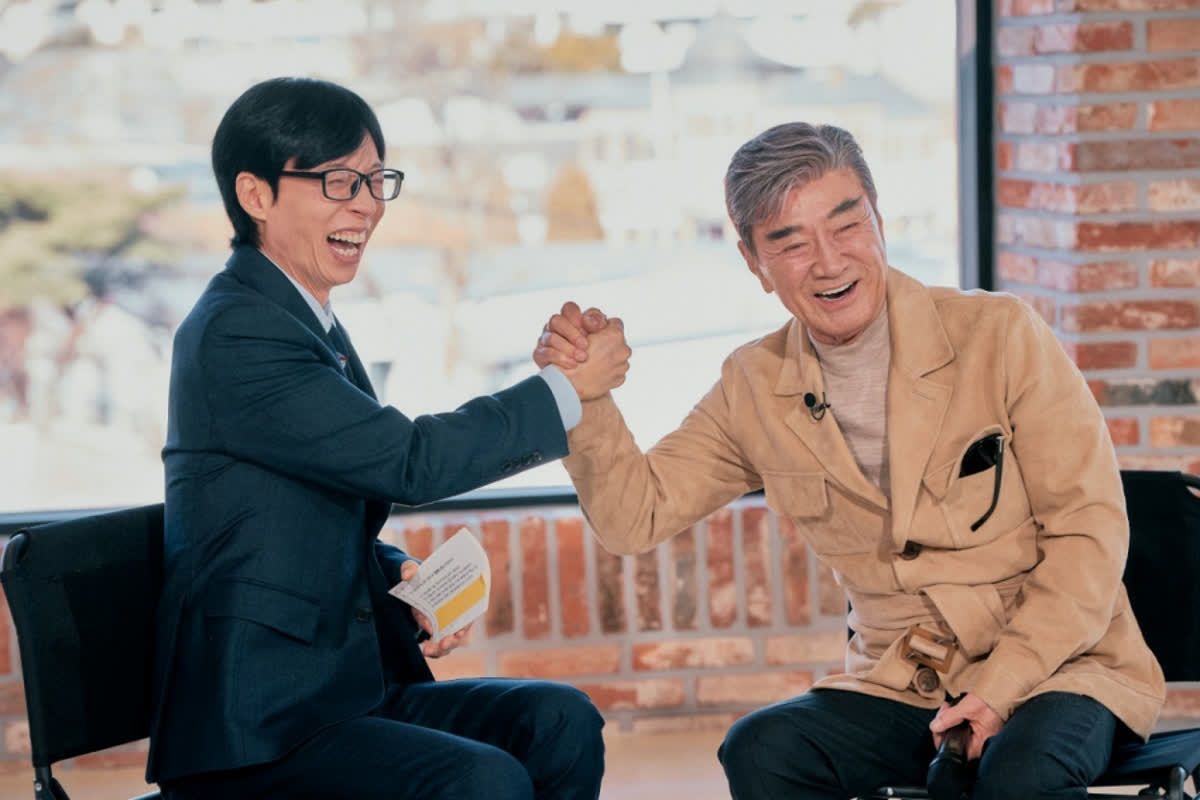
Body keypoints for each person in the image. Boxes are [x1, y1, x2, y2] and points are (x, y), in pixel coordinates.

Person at [535, 122, 1165, 800]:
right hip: (906, 685)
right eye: (791, 244)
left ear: (879, 220)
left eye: (846, 225)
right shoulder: (754, 385)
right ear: (754, 262)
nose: (829, 262)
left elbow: (1088, 533)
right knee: (762, 750)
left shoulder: (1001, 334)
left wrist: (1001, 684)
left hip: (1060, 667)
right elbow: (634, 516)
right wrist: (584, 398)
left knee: (1016, 774)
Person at [148, 76, 629, 800]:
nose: (367, 205)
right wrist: (567, 389)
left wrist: (401, 575)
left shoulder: (304, 318)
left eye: (376, 181)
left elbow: (299, 510)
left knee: (559, 721)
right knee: (483, 778)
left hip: (341, 696)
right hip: (260, 728)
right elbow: (408, 461)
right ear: (255, 195)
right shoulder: (236, 331)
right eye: (340, 182)